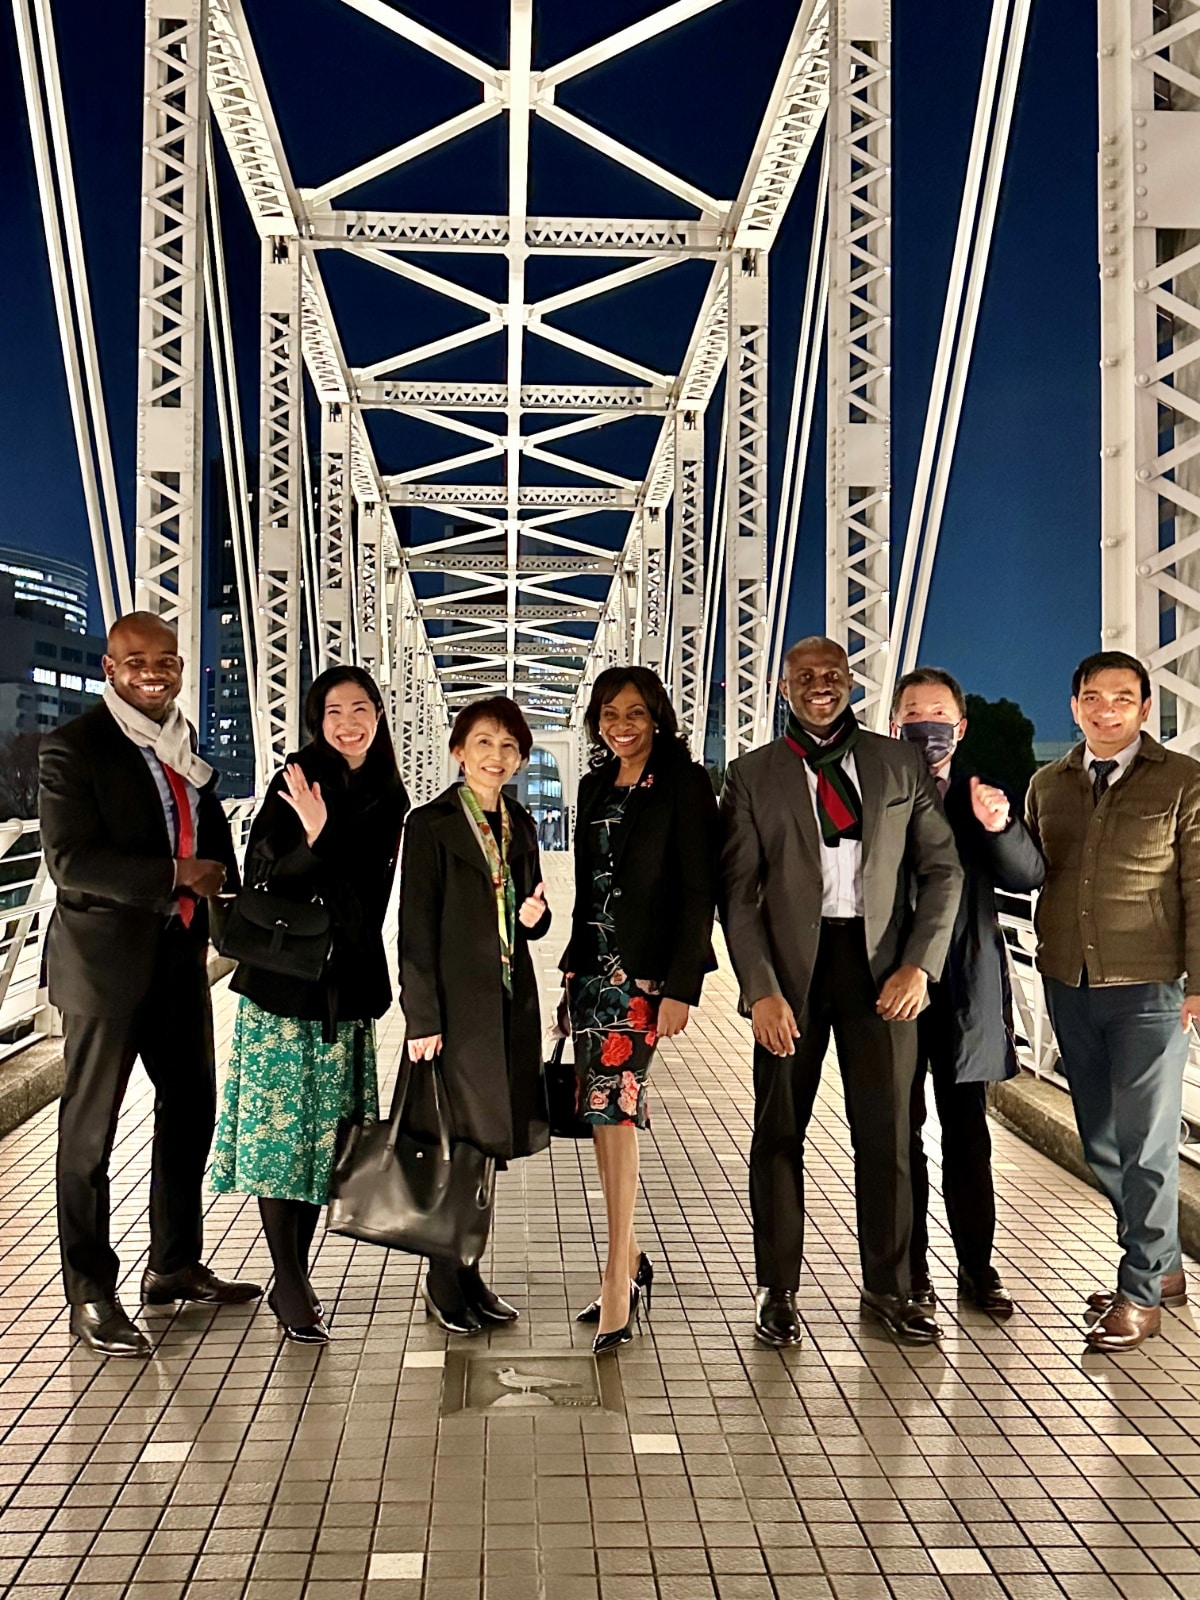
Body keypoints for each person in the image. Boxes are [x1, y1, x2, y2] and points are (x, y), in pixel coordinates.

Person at [719, 636, 963, 1348]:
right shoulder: (752, 774)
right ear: (781, 686)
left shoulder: (897, 763)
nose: (819, 686)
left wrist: (921, 965)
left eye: (832, 675)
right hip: (792, 975)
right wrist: (758, 989)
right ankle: (778, 1291)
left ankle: (889, 1289)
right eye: (805, 677)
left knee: (888, 1134)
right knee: (778, 1132)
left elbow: (943, 869)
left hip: (882, 967)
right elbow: (737, 896)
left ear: (851, 682)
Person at [38, 611, 260, 1357]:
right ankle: (90, 1293)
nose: (155, 673)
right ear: (110, 669)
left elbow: (207, 833)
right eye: (138, 663)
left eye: (166, 661)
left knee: (192, 1107)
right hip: (104, 970)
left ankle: (172, 1265)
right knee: (89, 1134)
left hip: (177, 956)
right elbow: (72, 865)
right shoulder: (75, 747)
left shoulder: (181, 746)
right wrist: (174, 875)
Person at [211, 666, 409, 1344]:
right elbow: (261, 877)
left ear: (380, 716)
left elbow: (366, 912)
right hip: (282, 986)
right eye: (333, 711)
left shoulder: (390, 795)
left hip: (344, 990)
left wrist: (325, 840)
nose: (348, 722)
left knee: (324, 1143)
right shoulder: (295, 779)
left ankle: (293, 1274)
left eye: (361, 708)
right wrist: (319, 841)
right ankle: (289, 1281)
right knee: (279, 1141)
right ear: (314, 720)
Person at [1026, 650, 1200, 1352]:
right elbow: (1028, 867)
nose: (1106, 710)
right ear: (1075, 707)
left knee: (1147, 1143)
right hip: (1069, 981)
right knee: (1099, 1138)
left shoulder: (1185, 782)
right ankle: (1160, 1268)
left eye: (1121, 699)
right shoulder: (1049, 783)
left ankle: (1139, 1297)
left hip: (1150, 990)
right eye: (1093, 698)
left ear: (1144, 708)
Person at [561, 666, 719, 1355]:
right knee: (601, 1118)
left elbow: (698, 888)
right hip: (593, 972)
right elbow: (584, 884)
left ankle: (617, 1286)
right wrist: (570, 967)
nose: (620, 724)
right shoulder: (596, 784)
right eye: (608, 713)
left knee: (618, 1113)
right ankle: (628, 1259)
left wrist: (683, 984)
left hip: (643, 978)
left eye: (634, 712)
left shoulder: (684, 783)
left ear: (656, 715)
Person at [891, 667, 1045, 1318]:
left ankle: (977, 1268)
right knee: (899, 1136)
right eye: (913, 714)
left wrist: (1001, 825)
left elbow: (1028, 871)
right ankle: (910, 1269)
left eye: (938, 713)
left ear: (960, 724)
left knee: (967, 1136)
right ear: (893, 724)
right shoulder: (873, 788)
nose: (926, 725)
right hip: (893, 987)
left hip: (966, 986)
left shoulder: (982, 792)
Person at [398, 696, 551, 1335]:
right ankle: (441, 1278)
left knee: (485, 1145)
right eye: (484, 743)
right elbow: (414, 927)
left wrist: (536, 922)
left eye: (510, 747)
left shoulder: (520, 824)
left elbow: (531, 912)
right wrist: (421, 1016)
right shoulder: (430, 824)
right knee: (453, 1144)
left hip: (509, 1005)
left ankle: (468, 1270)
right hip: (455, 1013)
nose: (497, 756)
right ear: (459, 752)